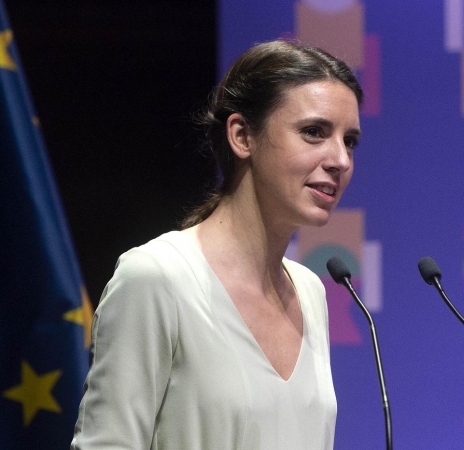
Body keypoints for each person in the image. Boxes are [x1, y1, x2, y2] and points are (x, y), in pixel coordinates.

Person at [71, 40, 363, 449]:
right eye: (314, 132)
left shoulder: (311, 291)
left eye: (349, 141)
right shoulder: (157, 277)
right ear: (242, 136)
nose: (340, 160)